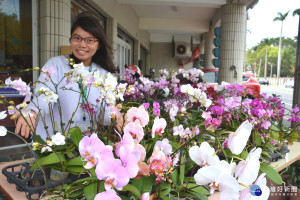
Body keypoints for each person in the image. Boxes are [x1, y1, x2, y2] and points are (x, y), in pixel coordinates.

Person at [13, 12, 117, 140]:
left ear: (98, 44)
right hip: (51, 144)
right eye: (77, 38)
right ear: (71, 39)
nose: (82, 45)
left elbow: (104, 116)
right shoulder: (56, 65)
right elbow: (45, 94)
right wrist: (33, 111)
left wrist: (117, 117)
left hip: (86, 147)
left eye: (89, 40)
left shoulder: (104, 75)